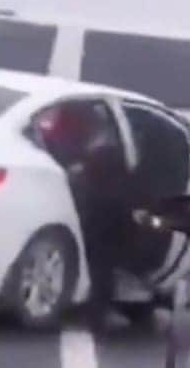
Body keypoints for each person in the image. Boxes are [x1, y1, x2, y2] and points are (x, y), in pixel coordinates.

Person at [37, 103, 134, 331]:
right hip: (96, 213)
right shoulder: (106, 153)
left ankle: (93, 307)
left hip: (78, 208)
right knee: (102, 259)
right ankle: (98, 311)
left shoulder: (57, 140)